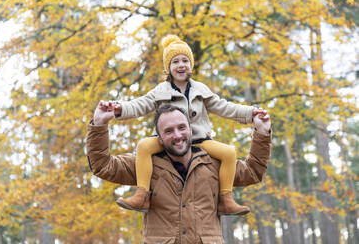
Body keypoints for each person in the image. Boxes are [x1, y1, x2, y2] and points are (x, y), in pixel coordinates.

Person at [108, 34, 267, 215]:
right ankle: (142, 195)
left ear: (191, 65)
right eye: (175, 62)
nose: (181, 65)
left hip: (198, 140)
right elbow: (139, 104)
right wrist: (119, 108)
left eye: (185, 60)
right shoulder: (161, 90)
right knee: (144, 145)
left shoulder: (200, 89)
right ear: (168, 68)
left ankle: (226, 199)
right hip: (167, 141)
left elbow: (224, 107)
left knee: (229, 152)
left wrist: (250, 113)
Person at [87, 103, 271, 243]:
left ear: (191, 130)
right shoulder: (145, 165)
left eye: (182, 128)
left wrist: (262, 132)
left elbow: (253, 172)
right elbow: (103, 166)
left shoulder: (215, 164)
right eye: (168, 131)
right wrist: (99, 124)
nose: (177, 135)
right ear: (159, 138)